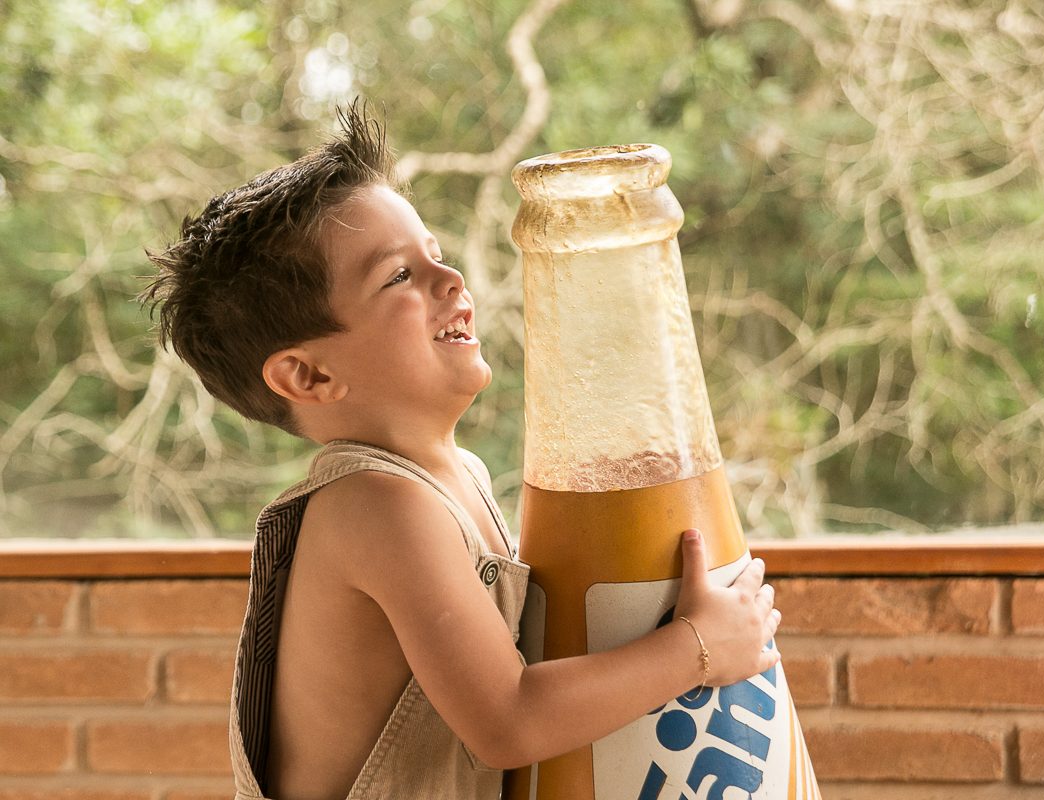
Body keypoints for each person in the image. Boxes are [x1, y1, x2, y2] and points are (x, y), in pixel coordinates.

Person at [142, 103, 780, 800]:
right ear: (310, 377)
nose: (450, 281)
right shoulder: (378, 506)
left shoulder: (458, 475)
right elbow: (509, 719)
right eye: (399, 277)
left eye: (436, 255)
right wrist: (697, 647)